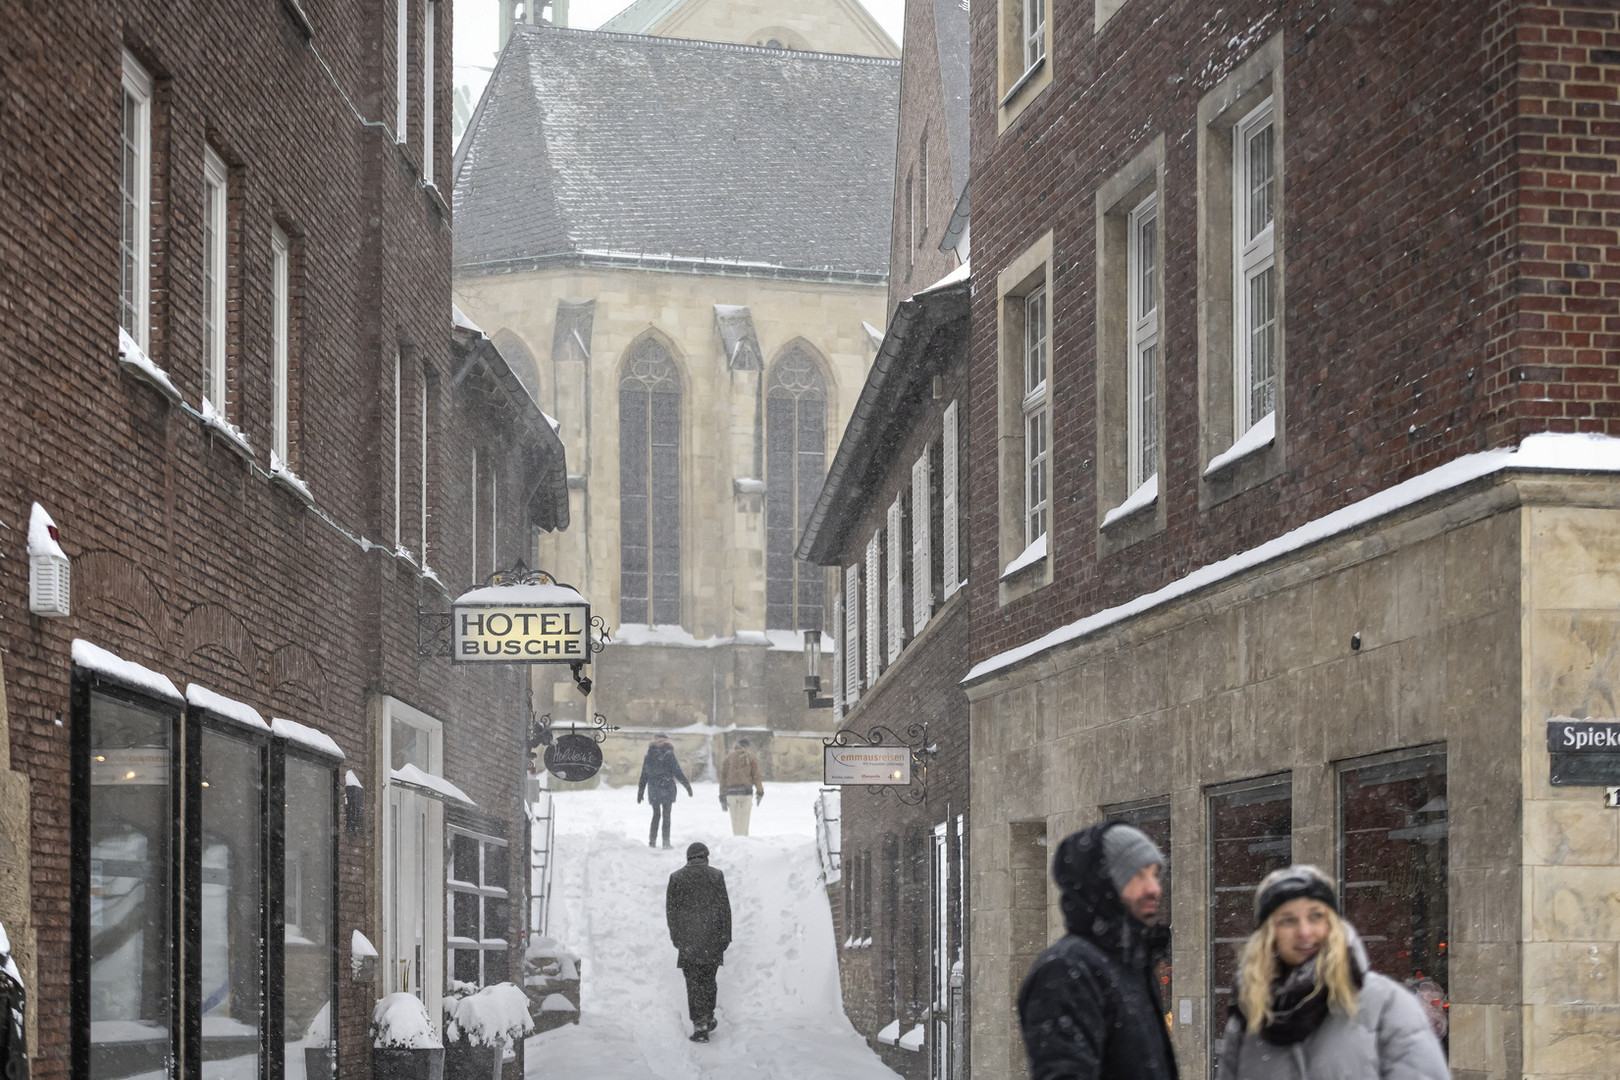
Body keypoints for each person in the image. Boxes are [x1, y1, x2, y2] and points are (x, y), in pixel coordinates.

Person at [1218, 865, 1450, 1080]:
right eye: (1288, 920)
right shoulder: (1250, 1013)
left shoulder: (1387, 1004)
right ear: (1269, 934)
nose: (1304, 931)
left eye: (1316, 916)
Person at [1018, 821, 1177, 1080]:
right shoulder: (1066, 971)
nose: (1154, 888)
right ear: (1105, 883)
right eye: (1138, 875)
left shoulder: (1133, 965)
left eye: (1155, 874)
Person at [665, 841, 732, 1042]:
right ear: (706, 856)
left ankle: (699, 1023)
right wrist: (725, 937)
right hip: (712, 940)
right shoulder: (716, 875)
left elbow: (671, 912)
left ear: (688, 857)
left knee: (693, 983)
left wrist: (676, 938)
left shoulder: (676, 878)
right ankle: (708, 1016)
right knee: (709, 981)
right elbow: (724, 909)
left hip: (688, 941)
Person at [636, 733, 693, 849]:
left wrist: (640, 791)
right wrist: (687, 786)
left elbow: (644, 774)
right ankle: (666, 842)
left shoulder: (649, 755)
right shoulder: (669, 754)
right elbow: (677, 772)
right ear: (666, 741)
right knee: (666, 816)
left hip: (654, 789)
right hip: (667, 788)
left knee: (656, 815)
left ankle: (652, 842)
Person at [717, 738, 764, 836]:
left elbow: (723, 779)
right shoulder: (751, 758)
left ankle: (737, 842)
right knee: (744, 822)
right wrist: (760, 792)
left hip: (731, 794)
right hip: (745, 793)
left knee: (735, 822)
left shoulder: (728, 759)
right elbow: (756, 777)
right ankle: (743, 843)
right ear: (747, 747)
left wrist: (722, 796)